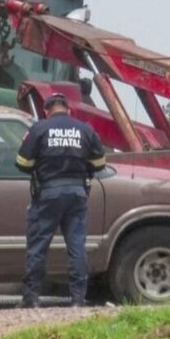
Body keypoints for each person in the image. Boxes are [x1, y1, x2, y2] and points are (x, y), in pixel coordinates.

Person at [15, 92, 105, 308]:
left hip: (48, 194)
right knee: (76, 246)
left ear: (46, 111)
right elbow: (100, 163)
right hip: (77, 193)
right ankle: (77, 300)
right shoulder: (85, 129)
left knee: (38, 246)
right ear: (68, 109)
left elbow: (22, 163)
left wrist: (40, 164)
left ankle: (31, 299)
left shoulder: (39, 129)